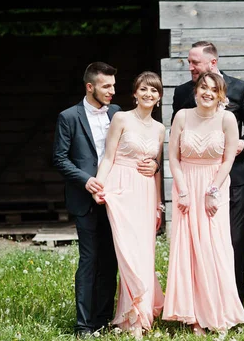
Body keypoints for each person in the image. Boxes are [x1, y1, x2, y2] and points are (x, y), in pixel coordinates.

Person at [52, 62, 158, 337]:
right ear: (90, 87)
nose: (112, 91)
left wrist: (154, 167)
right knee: (90, 259)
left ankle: (103, 319)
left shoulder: (117, 114)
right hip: (86, 197)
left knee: (112, 260)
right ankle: (84, 325)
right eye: (106, 86)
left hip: (119, 198)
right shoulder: (69, 117)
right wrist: (87, 180)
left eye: (113, 85)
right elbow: (59, 158)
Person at [171, 41, 244, 304]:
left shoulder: (240, 88)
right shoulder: (183, 92)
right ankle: (200, 301)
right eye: (189, 62)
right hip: (194, 177)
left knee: (232, 240)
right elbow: (177, 136)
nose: (190, 67)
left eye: (194, 62)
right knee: (197, 241)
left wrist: (243, 143)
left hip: (233, 177)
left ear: (212, 62)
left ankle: (234, 300)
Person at [164, 72, 244, 335]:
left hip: (214, 187)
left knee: (214, 249)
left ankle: (217, 312)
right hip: (186, 186)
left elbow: (227, 160)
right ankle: (193, 315)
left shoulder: (227, 119)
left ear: (221, 94)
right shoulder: (182, 116)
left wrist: (213, 190)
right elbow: (173, 157)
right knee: (188, 248)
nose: (207, 92)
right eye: (203, 87)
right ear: (196, 91)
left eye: (213, 89)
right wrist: (183, 190)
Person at [93, 71, 166, 339]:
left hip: (146, 193)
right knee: (127, 252)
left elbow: (156, 170)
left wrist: (159, 205)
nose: (149, 94)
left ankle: (141, 314)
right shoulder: (121, 118)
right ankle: (131, 315)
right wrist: (99, 186)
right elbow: (108, 156)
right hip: (120, 188)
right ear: (135, 92)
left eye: (154, 91)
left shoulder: (160, 129)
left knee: (144, 252)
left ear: (159, 98)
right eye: (144, 89)